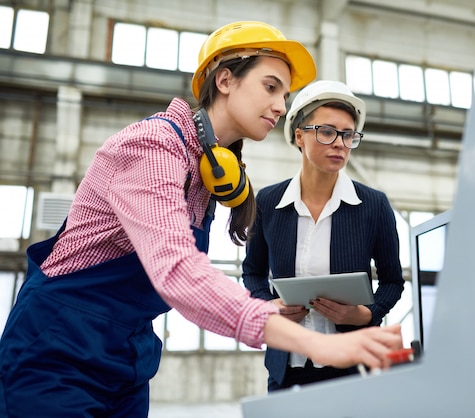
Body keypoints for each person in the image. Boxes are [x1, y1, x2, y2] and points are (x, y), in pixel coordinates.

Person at [0, 22, 402, 417]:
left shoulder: (207, 170)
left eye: (285, 93)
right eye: (270, 87)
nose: (281, 106)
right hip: (58, 347)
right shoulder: (153, 147)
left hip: (125, 355)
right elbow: (177, 271)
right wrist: (317, 343)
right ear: (225, 80)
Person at [242, 80, 406, 391]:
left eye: (348, 135)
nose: (340, 143)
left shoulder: (372, 206)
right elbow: (252, 273)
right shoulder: (268, 202)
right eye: (327, 132)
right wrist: (268, 309)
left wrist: (365, 314)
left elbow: (392, 281)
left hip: (353, 367)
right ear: (299, 135)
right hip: (287, 367)